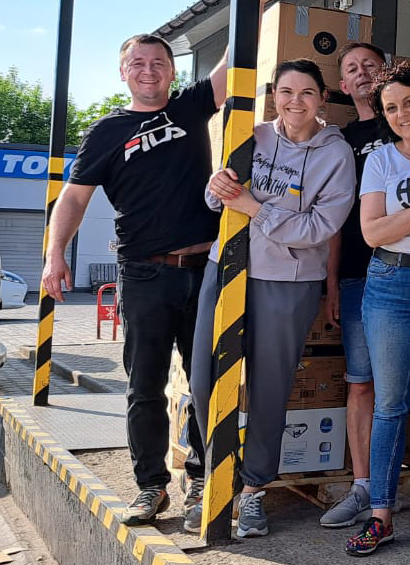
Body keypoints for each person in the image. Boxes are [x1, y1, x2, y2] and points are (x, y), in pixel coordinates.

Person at [41, 33, 228, 526]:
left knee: (206, 381)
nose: (149, 70)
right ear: (123, 73)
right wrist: (55, 254)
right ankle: (151, 487)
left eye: (159, 62)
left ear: (172, 70)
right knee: (145, 386)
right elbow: (74, 197)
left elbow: (233, 63)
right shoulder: (107, 131)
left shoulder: (190, 107)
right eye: (138, 63)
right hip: (144, 274)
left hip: (204, 271)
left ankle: (202, 479)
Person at [186, 58, 356, 537]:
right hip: (227, 268)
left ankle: (254, 490)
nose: (295, 102)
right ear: (273, 96)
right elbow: (217, 197)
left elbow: (319, 227)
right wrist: (218, 187)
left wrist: (254, 208)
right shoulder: (252, 135)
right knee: (204, 379)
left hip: (288, 281)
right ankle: (217, 478)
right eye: (286, 92)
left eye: (306, 93)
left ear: (322, 99)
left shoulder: (336, 155)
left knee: (268, 389)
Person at [344, 65, 410, 556]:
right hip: (392, 283)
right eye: (390, 108)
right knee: (390, 404)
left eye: (409, 102)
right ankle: (381, 516)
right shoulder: (381, 160)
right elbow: (373, 232)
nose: (401, 114)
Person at [320, 42, 389, 529]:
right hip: (358, 276)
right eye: (352, 69)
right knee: (362, 383)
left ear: (386, 72)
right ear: (342, 86)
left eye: (371, 65)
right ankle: (364, 487)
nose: (362, 73)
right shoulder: (340, 143)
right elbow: (334, 219)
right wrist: (331, 283)